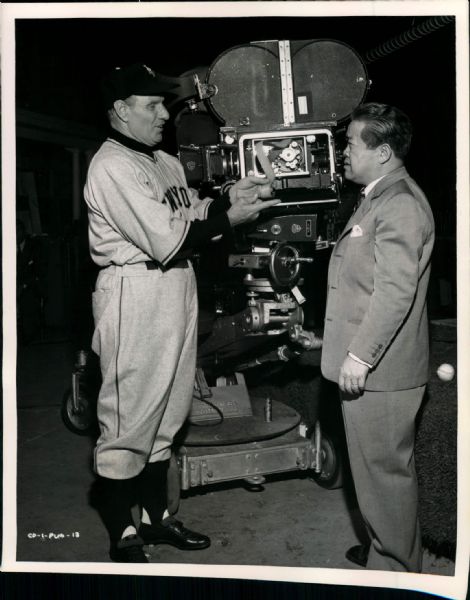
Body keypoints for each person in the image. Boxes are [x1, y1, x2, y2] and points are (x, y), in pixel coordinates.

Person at [83, 63, 279, 563]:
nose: (162, 114)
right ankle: (122, 533)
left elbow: (192, 215)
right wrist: (227, 218)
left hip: (177, 283)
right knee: (130, 417)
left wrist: (230, 199)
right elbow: (168, 237)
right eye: (149, 105)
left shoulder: (165, 163)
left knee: (169, 412)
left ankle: (155, 520)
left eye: (162, 104)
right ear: (120, 111)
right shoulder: (111, 165)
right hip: (136, 289)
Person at [320, 103, 435, 572]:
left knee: (384, 481)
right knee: (375, 479)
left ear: (383, 151)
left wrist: (359, 357)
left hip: (382, 374)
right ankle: (384, 549)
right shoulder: (377, 197)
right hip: (376, 370)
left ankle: (395, 571)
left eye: (349, 142)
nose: (341, 151)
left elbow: (394, 294)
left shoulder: (400, 205)